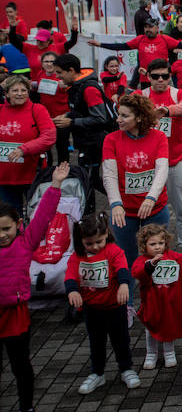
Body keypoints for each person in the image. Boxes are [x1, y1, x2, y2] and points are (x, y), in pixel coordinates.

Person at [0, 162, 67, 412]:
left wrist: (56, 184)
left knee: (21, 366)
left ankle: (26, 406)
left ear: (17, 225)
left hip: (16, 318)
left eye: (6, 229)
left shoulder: (26, 242)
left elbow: (43, 216)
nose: (1, 235)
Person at [102, 92, 170, 305]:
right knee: (126, 259)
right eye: (118, 114)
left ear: (139, 117)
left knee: (157, 257)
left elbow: (162, 169)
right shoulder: (111, 139)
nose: (118, 119)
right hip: (125, 212)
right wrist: (115, 203)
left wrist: (151, 198)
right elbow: (109, 174)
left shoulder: (158, 137)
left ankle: (157, 302)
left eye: (124, 116)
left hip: (155, 208)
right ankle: (128, 304)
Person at [64, 213, 140, 394]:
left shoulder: (114, 251)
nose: (95, 246)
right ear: (80, 240)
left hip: (115, 307)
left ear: (107, 234)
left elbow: (122, 269)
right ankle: (97, 373)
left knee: (121, 339)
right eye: (89, 243)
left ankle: (126, 369)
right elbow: (70, 276)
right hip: (92, 309)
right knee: (96, 342)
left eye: (100, 241)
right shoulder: (77, 257)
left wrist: (123, 285)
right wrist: (72, 290)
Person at [142, 58, 182, 251]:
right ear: (148, 77)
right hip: (150, 166)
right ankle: (153, 251)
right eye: (155, 76)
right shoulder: (142, 95)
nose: (160, 80)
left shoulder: (178, 93)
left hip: (176, 162)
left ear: (170, 76)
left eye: (165, 76)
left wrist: (167, 110)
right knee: (151, 211)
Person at [131, 226, 182, 369]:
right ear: (144, 245)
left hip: (171, 301)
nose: (157, 247)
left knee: (169, 325)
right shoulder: (142, 260)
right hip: (152, 303)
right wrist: (151, 264)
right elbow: (137, 272)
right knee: (151, 327)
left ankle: (169, 351)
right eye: (152, 244)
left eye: (160, 243)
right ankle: (151, 353)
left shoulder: (173, 256)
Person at [52, 54, 116, 197]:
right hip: (86, 141)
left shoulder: (89, 89)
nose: (57, 76)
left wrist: (72, 122)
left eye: (59, 72)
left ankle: (122, 205)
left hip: (96, 142)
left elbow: (100, 118)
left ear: (71, 70)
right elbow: (81, 111)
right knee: (88, 180)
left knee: (91, 180)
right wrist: (67, 116)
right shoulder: (75, 86)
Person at [0, 75, 56, 210]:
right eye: (15, 90)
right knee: (10, 218)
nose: (20, 94)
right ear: (7, 93)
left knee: (36, 216)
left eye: (23, 90)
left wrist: (23, 149)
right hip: (4, 177)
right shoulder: (1, 110)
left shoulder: (37, 109)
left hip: (32, 175)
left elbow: (49, 136)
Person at [88, 18, 182, 89]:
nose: (148, 29)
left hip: (162, 78)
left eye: (150, 27)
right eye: (146, 27)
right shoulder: (140, 39)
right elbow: (122, 46)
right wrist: (100, 44)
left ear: (157, 28)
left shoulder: (164, 39)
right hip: (145, 79)